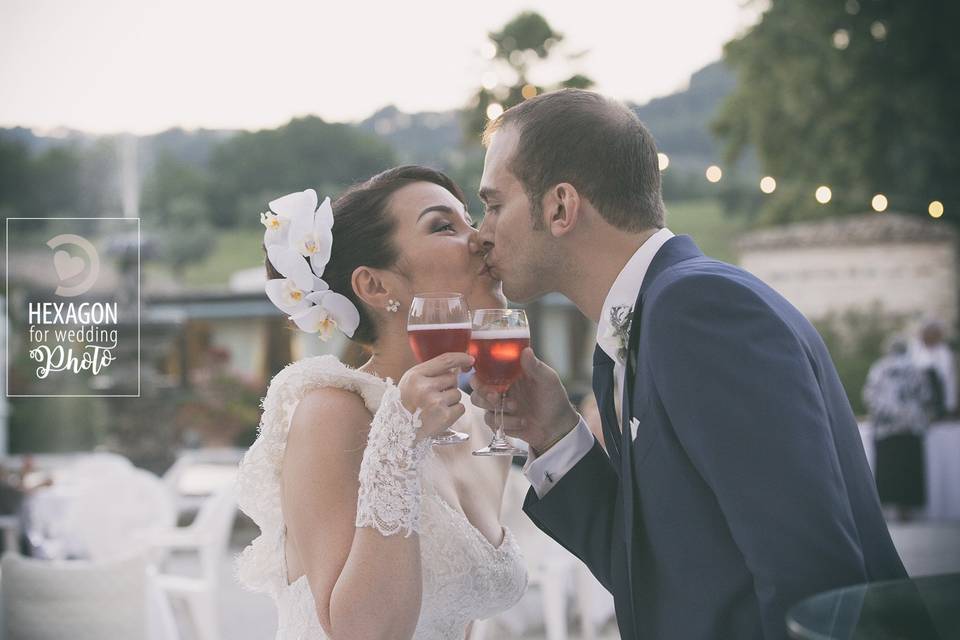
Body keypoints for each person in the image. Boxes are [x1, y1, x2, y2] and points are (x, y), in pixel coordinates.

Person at [469, 89, 907, 640]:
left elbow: (812, 575)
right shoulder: (635, 330)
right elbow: (658, 574)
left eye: (492, 204)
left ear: (560, 207)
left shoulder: (699, 311)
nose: (480, 233)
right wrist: (555, 433)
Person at [236, 166, 527, 640]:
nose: (480, 238)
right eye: (443, 226)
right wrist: (401, 443)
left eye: (471, 220)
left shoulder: (475, 422)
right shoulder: (333, 411)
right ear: (375, 286)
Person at [864, 335, 935, 521]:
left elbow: (870, 396)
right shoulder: (917, 369)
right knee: (908, 468)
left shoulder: (879, 368)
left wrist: (889, 412)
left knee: (890, 468)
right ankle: (907, 510)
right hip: (911, 429)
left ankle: (890, 510)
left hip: (887, 429)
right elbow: (926, 396)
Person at [910, 318, 957, 420]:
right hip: (916, 400)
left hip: (938, 402)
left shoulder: (944, 352)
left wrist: (949, 406)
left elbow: (948, 381)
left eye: (936, 333)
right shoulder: (914, 350)